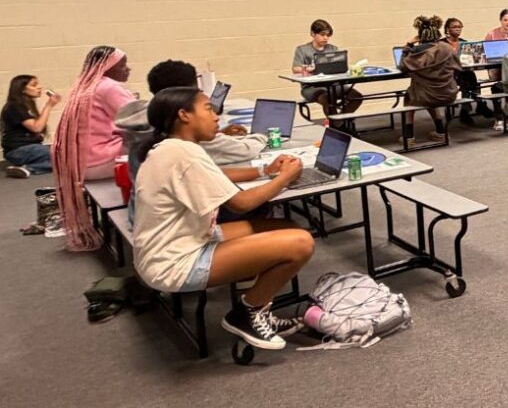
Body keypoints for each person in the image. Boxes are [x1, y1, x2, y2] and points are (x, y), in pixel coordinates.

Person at [132, 87, 313, 350]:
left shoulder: (171, 148)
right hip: (175, 261)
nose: (216, 116)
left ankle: (259, 308)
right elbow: (242, 204)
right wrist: (286, 176)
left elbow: (218, 174)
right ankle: (247, 313)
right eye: (207, 108)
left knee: (282, 227)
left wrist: (266, 169)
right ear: (184, 115)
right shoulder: (183, 153)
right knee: (300, 242)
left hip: (184, 240)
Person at [116, 60, 268, 178]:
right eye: (208, 110)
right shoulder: (182, 132)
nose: (215, 117)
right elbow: (240, 201)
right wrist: (263, 135)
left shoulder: (148, 118)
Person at [52, 46, 136, 251]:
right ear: (107, 68)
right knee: (155, 145)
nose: (128, 69)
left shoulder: (84, 86)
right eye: (123, 65)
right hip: (97, 163)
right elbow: (140, 119)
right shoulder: (108, 87)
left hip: (80, 163)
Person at [397, 15, 461, 144]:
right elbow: (458, 67)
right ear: (437, 33)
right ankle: (441, 132)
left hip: (426, 95)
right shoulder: (447, 48)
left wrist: (408, 45)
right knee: (427, 93)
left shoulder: (415, 52)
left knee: (410, 97)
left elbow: (402, 67)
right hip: (448, 93)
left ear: (421, 36)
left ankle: (408, 137)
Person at [291, 19, 361, 116]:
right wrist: (308, 68)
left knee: (356, 97)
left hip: (333, 85)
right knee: (328, 99)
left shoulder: (333, 49)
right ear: (313, 34)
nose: (325, 38)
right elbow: (295, 69)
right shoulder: (302, 50)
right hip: (311, 88)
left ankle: (341, 121)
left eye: (328, 35)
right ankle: (338, 125)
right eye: (322, 35)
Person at [3, 75, 61, 178]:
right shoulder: (14, 106)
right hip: (18, 150)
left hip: (30, 147)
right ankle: (28, 168)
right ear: (22, 89)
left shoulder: (26, 105)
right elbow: (36, 128)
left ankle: (24, 167)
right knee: (60, 158)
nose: (39, 87)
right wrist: (49, 105)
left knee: (62, 157)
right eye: (34, 85)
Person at [443, 17, 492, 125]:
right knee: (467, 79)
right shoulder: (442, 43)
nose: (457, 29)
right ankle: (467, 110)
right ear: (447, 29)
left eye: (459, 27)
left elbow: (472, 59)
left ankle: (478, 105)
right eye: (454, 27)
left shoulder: (464, 43)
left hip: (464, 72)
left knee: (470, 76)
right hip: (448, 74)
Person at [484, 9, 508, 83]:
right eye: (505, 20)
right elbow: (485, 53)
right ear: (500, 20)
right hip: (496, 65)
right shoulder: (491, 34)